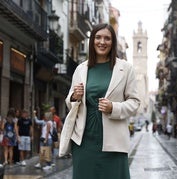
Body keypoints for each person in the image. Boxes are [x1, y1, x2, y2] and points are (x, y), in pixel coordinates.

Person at [65, 23, 140, 179]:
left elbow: (134, 102)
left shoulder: (126, 69)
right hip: (84, 140)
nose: (102, 42)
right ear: (92, 40)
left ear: (113, 43)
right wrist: (74, 97)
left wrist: (114, 107)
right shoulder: (81, 69)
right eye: (98, 37)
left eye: (107, 38)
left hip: (114, 142)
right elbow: (70, 100)